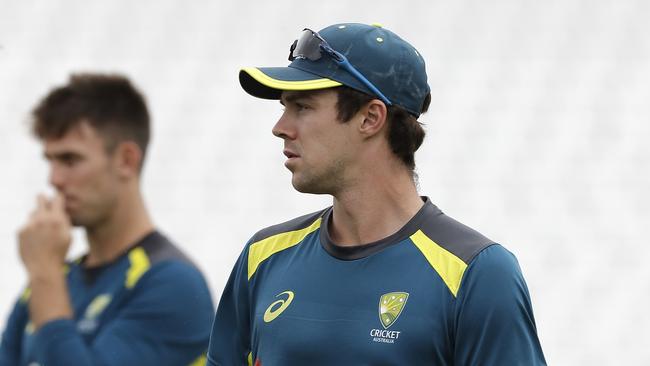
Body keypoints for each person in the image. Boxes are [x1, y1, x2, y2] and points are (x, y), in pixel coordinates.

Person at [207, 23, 546, 365]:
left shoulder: (477, 273)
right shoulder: (262, 257)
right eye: (283, 107)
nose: (280, 127)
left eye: (303, 107)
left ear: (370, 118)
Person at [0, 74, 214, 366]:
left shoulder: (174, 283)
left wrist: (45, 273)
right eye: (49, 161)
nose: (54, 180)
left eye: (70, 160)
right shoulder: (54, 278)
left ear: (126, 160)